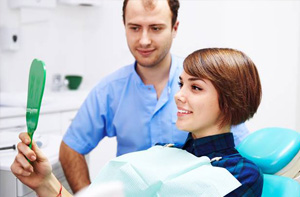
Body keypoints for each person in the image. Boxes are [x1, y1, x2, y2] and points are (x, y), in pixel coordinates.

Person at [11, 48, 263, 197]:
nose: (179, 95)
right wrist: (46, 182)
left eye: (195, 87)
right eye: (181, 84)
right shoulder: (166, 153)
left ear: (230, 102)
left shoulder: (240, 175)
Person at [59, 0, 249, 193]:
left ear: (175, 28)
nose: (144, 40)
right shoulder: (109, 90)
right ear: (124, 26)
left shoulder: (204, 83)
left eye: (155, 28)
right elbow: (71, 147)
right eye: (134, 28)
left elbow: (239, 149)